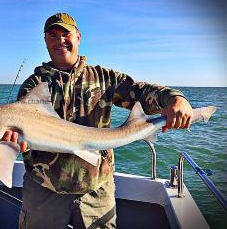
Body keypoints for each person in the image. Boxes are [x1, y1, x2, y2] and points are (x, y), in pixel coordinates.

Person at [11, 13, 193, 229]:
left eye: (65, 34)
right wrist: (13, 141)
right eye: (53, 35)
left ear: (78, 37)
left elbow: (140, 90)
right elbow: (18, 130)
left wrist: (175, 98)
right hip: (44, 190)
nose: (60, 40)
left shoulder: (104, 79)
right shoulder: (35, 85)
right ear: (45, 41)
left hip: (96, 189)